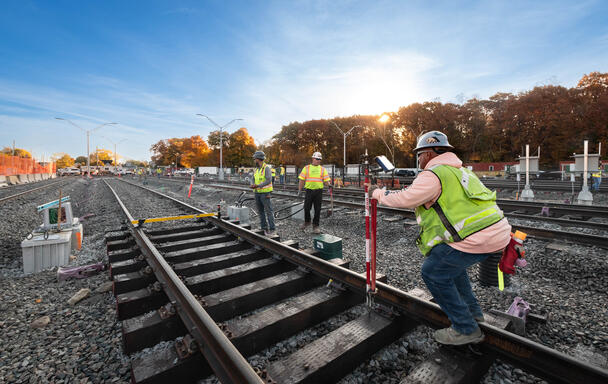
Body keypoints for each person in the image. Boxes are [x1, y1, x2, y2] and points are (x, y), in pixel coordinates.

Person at [368, 131, 511, 345]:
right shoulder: (461, 171)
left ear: (427, 153)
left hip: (477, 237)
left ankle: (465, 328)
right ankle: (473, 313)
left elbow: (406, 198)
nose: (419, 160)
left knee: (433, 271)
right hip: (497, 234)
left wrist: (378, 193)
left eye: (419, 155)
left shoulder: (434, 173)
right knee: (450, 266)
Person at [298, 152, 331, 234]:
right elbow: (301, 180)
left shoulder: (322, 169)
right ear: (313, 159)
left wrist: (330, 185)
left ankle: (315, 225)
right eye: (317, 159)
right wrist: (299, 190)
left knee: (317, 209)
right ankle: (307, 221)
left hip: (318, 192)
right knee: (306, 207)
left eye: (319, 159)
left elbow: (326, 180)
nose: (318, 161)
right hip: (309, 191)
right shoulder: (307, 168)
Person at [250, 151, 276, 236]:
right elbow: (253, 178)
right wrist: (252, 184)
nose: (254, 161)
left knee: (269, 211)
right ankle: (264, 227)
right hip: (257, 193)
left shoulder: (266, 168)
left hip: (265, 193)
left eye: (255, 159)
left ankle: (272, 229)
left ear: (258, 159)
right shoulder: (257, 169)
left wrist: (258, 185)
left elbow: (269, 180)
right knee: (260, 211)